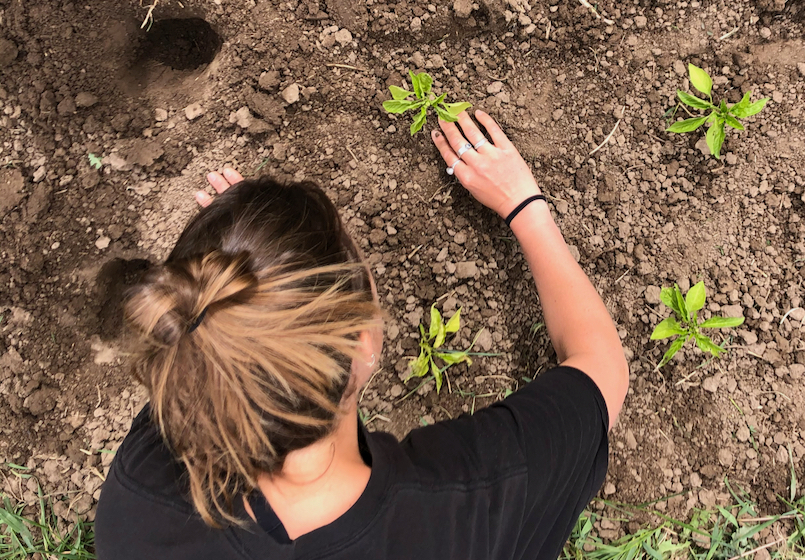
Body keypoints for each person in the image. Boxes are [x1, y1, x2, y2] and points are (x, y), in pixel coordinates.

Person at [95, 109, 629, 560]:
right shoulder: (471, 504)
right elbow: (601, 367)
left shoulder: (141, 495)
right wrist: (525, 206)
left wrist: (254, 272)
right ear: (364, 342)